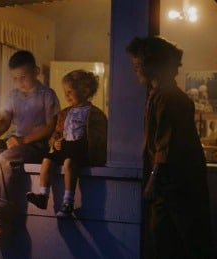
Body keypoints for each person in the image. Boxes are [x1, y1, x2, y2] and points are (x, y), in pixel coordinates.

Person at [126, 36, 212, 258]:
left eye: (137, 65)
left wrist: (153, 180)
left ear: (152, 65)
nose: (135, 71)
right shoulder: (161, 95)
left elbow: (166, 143)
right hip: (173, 185)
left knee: (175, 241)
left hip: (175, 186)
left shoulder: (167, 97)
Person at [0, 50, 60, 242]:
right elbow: (5, 120)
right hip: (13, 141)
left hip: (34, 145)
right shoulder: (13, 95)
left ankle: (1, 216)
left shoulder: (47, 95)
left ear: (36, 71)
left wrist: (24, 140)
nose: (19, 82)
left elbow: (50, 127)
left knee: (4, 160)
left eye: (23, 77)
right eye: (15, 78)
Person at [26, 69, 107, 218]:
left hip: (81, 149)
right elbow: (57, 132)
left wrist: (94, 150)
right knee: (47, 160)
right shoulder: (64, 113)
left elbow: (100, 136)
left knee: (69, 163)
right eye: (65, 92)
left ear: (85, 91)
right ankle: (43, 195)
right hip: (65, 146)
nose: (66, 95)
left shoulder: (94, 113)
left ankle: (68, 202)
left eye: (70, 91)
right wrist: (55, 143)